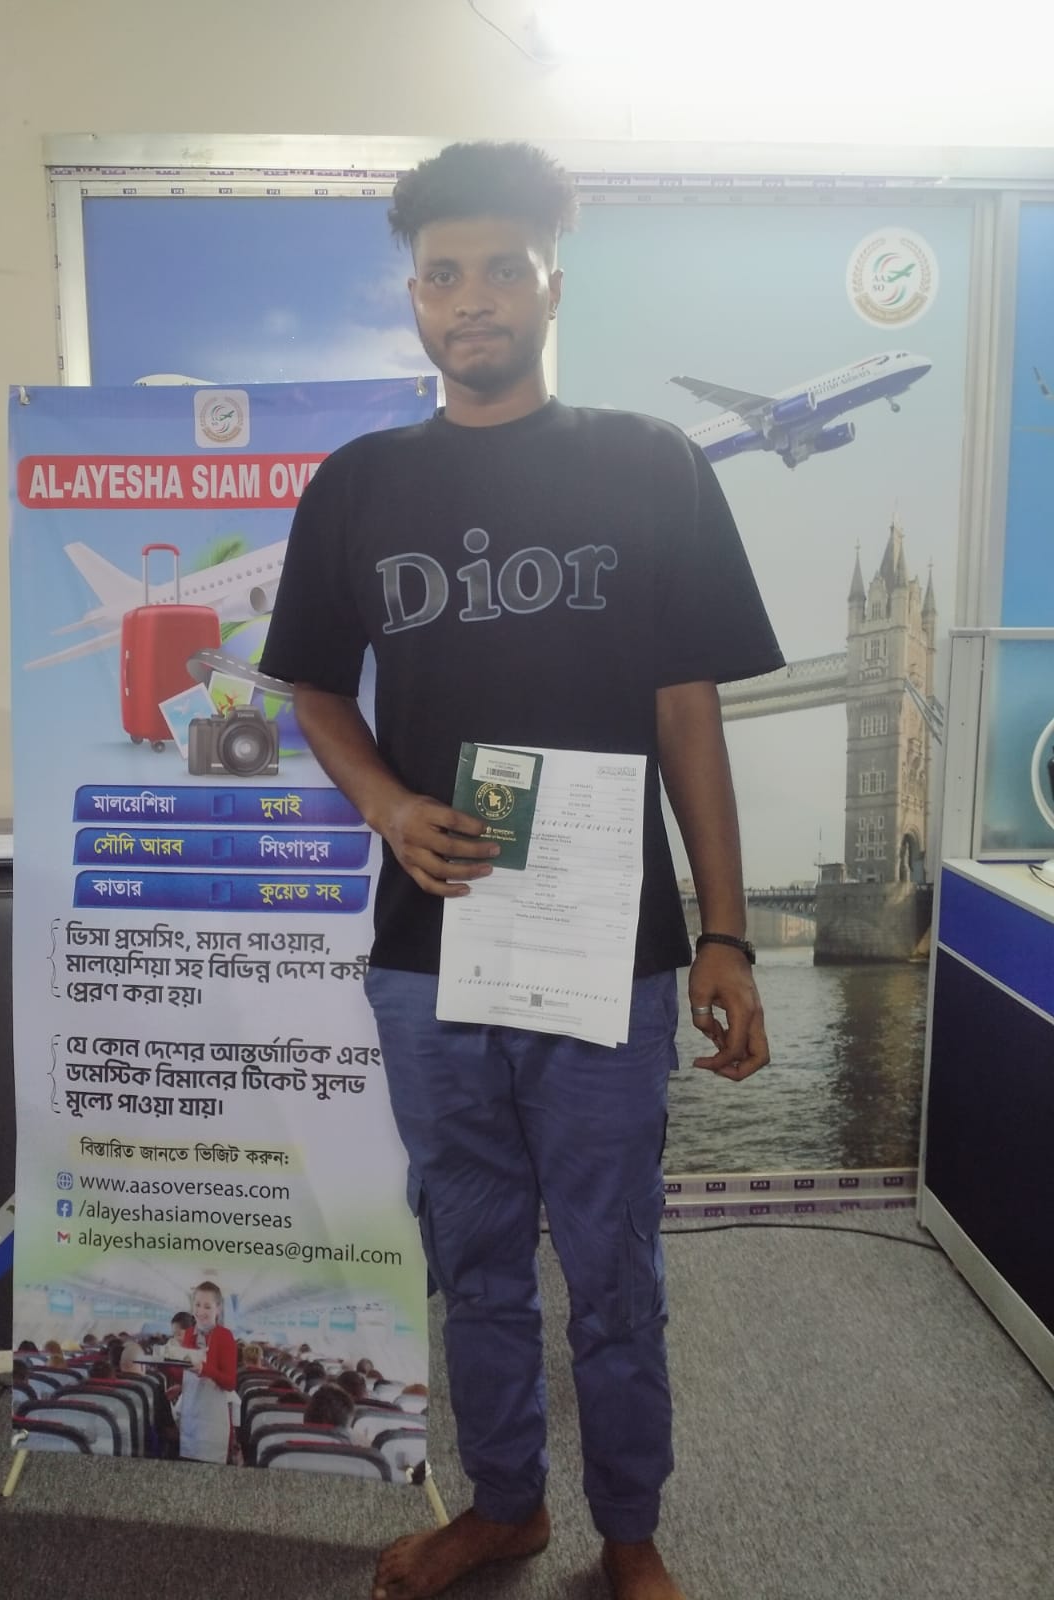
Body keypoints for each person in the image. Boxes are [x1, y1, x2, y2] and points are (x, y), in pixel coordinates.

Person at [260, 141, 780, 1600]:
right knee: (474, 1254)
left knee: (611, 1265)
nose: (471, 298)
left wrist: (727, 934)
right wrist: (386, 805)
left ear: (554, 283)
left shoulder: (651, 463)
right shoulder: (358, 486)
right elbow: (313, 690)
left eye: (501, 269)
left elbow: (689, 712)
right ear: (415, 299)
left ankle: (630, 1528)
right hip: (433, 946)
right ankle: (505, 1505)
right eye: (443, 275)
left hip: (612, 945)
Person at [176, 1281, 238, 1464]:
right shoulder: (188, 1334)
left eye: (207, 1306)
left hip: (213, 1418)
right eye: (197, 1305)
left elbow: (230, 1383)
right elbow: (187, 1374)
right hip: (190, 1413)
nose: (200, 1311)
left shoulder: (225, 1336)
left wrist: (205, 1369)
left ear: (218, 1309)